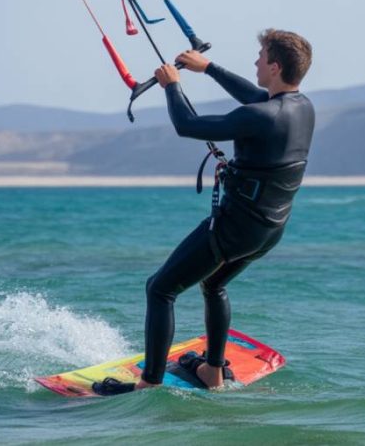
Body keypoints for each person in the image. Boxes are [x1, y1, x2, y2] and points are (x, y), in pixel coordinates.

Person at [94, 29, 315, 395]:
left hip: (235, 229)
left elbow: (188, 126)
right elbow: (255, 96)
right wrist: (208, 67)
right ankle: (213, 371)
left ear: (275, 66)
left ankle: (148, 383)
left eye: (261, 56)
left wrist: (171, 85)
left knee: (160, 289)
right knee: (213, 283)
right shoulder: (301, 107)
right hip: (269, 232)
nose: (256, 61)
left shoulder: (261, 117)